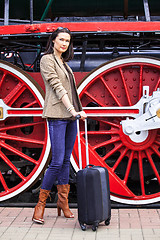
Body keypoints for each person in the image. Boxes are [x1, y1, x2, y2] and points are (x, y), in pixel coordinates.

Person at [32, 27, 87, 224]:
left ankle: (63, 203)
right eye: (61, 39)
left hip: (70, 116)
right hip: (58, 114)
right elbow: (57, 87)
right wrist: (73, 110)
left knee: (65, 161)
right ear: (53, 40)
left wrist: (75, 112)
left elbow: (70, 90)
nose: (64, 43)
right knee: (56, 161)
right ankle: (40, 205)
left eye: (67, 41)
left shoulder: (64, 62)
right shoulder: (47, 60)